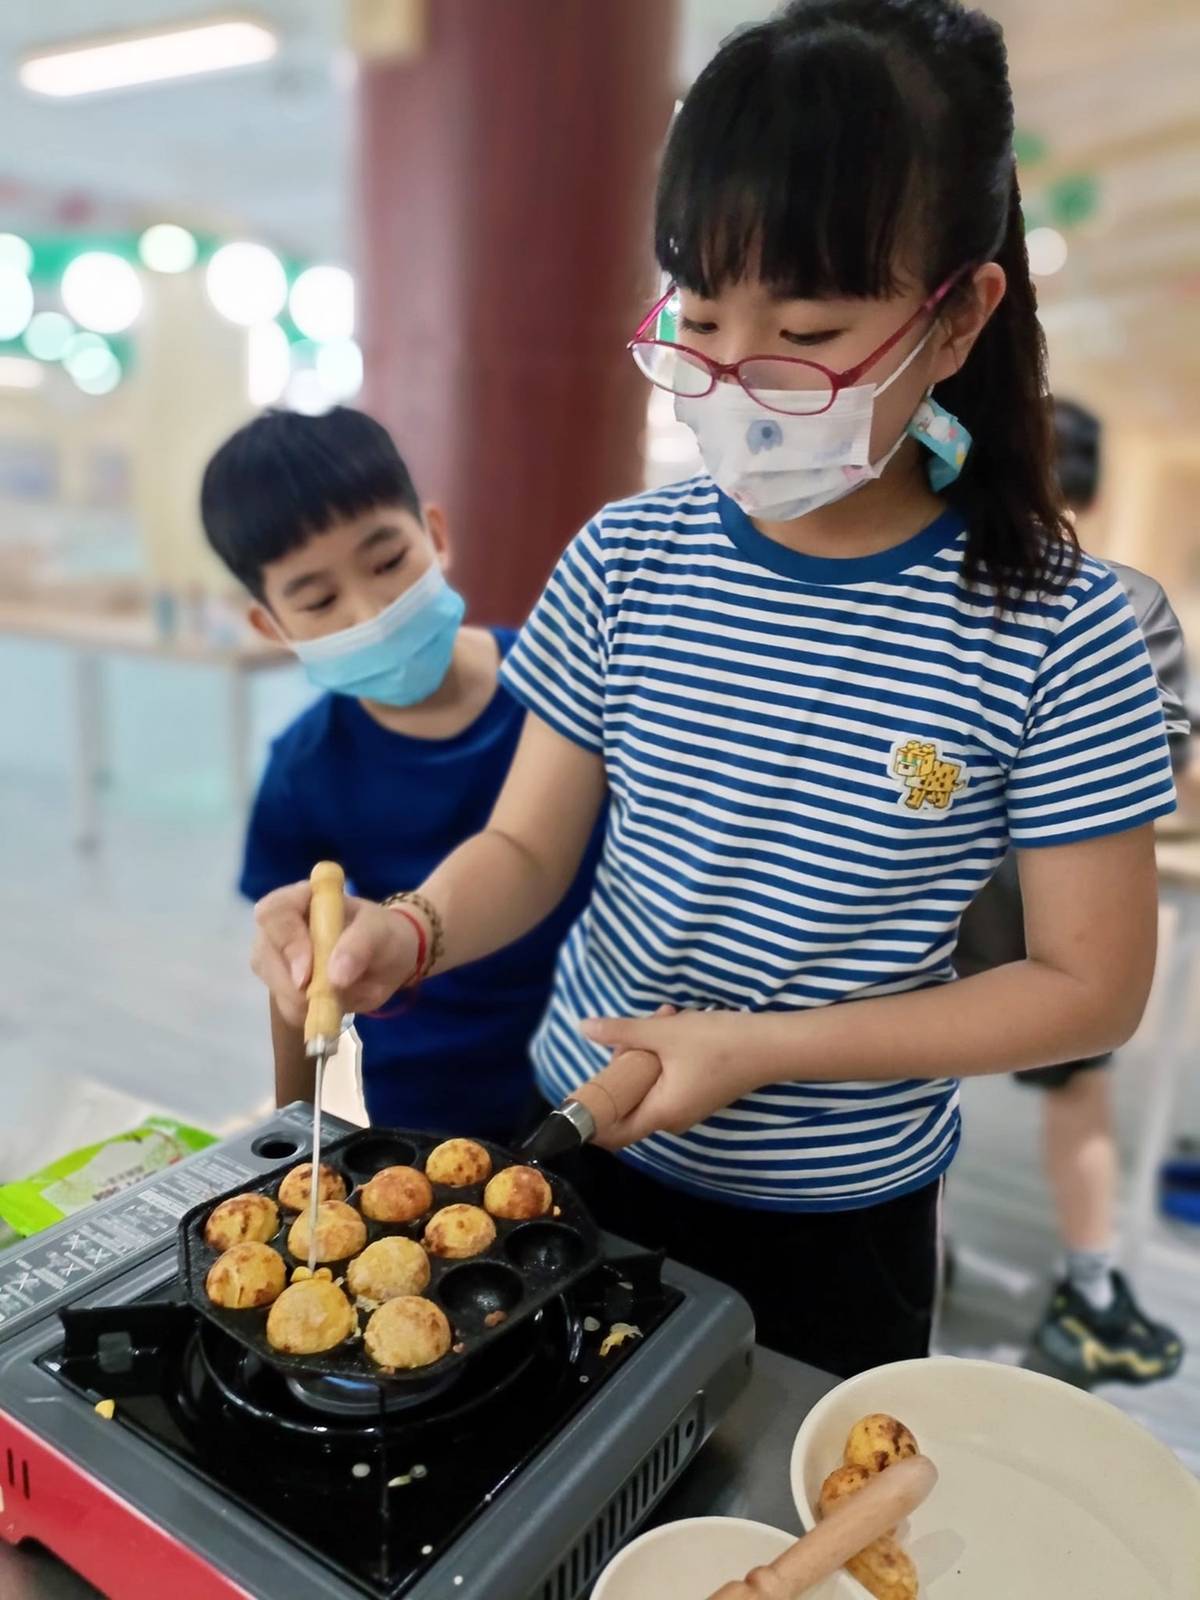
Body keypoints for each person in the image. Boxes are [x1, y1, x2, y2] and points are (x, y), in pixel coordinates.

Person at [249, 0, 1176, 1379]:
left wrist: (760, 1050)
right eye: (696, 319)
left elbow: (1089, 989)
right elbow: (524, 843)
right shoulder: (629, 556)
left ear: (961, 313)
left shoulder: (1061, 630)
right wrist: (416, 926)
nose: (734, 382)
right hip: (566, 1151)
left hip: (834, 1218)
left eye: (801, 332)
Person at [200, 406, 598, 1139]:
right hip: (429, 1091)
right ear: (273, 627)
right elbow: (295, 972)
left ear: (436, 536)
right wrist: (293, 1131)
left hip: (604, 1066)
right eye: (319, 600)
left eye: (388, 562)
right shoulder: (306, 769)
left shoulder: (565, 695)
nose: (372, 609)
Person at [955, 398, 1189, 1383]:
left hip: (966, 895)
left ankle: (945, 1242)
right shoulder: (1121, 608)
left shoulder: (948, 592)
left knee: (907, 1070)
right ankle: (1090, 1280)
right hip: (1043, 899)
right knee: (1073, 1080)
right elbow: (1162, 783)